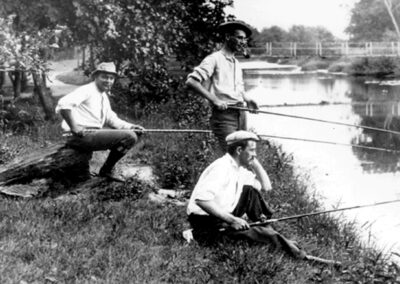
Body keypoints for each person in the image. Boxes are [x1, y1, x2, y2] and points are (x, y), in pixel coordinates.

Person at [187, 130, 341, 265]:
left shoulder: (237, 167)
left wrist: (255, 163)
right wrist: (233, 220)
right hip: (207, 222)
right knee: (267, 236)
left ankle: (268, 229)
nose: (255, 155)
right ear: (239, 150)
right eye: (252, 150)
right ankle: (304, 257)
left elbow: (265, 187)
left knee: (250, 191)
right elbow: (202, 200)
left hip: (222, 214)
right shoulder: (222, 168)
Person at [56, 62, 144, 182]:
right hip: (78, 135)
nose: (108, 81)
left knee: (132, 134)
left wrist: (132, 126)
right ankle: (107, 171)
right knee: (129, 137)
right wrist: (74, 126)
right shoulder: (87, 90)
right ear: (95, 77)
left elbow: (111, 119)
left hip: (91, 134)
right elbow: (63, 104)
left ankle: (106, 170)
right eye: (104, 77)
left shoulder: (102, 95)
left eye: (111, 78)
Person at [186, 20, 259, 151]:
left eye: (245, 39)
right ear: (227, 37)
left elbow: (239, 88)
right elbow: (191, 81)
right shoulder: (214, 59)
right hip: (224, 116)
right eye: (239, 38)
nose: (243, 42)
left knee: (242, 156)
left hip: (240, 113)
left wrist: (247, 99)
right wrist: (215, 100)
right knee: (230, 156)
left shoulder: (236, 63)